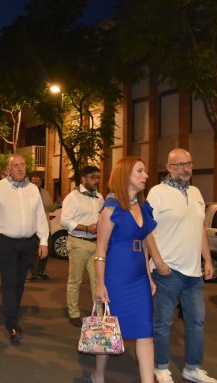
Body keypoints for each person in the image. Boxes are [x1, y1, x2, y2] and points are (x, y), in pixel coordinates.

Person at [146, 148, 217, 383]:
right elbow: (146, 230)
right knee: (163, 324)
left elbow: (200, 229)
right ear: (169, 168)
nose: (186, 168)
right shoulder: (157, 193)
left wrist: (207, 260)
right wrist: (158, 262)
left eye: (189, 163)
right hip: (167, 272)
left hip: (193, 274)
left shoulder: (197, 192)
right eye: (179, 165)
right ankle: (160, 367)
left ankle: (192, 368)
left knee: (197, 322)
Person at [92, 157, 164, 383]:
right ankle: (99, 374)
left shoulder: (143, 208)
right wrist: (100, 283)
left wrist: (149, 277)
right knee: (109, 329)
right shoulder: (111, 209)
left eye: (145, 171)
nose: (146, 176)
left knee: (145, 331)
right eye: (140, 171)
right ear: (125, 176)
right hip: (115, 277)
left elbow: (141, 244)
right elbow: (100, 251)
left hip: (139, 278)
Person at [0, 154, 49, 342]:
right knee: (9, 282)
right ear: (8, 169)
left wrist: (43, 240)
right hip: (6, 243)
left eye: (23, 165)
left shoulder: (33, 189)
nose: (21, 169)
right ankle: (11, 322)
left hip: (28, 244)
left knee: (20, 283)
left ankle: (12, 313)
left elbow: (40, 216)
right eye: (16, 166)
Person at [61, 165, 104, 327]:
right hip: (78, 243)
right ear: (83, 179)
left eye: (97, 177)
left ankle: (99, 315)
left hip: (96, 244)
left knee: (98, 281)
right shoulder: (72, 197)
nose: (96, 180)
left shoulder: (100, 197)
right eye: (93, 177)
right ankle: (74, 313)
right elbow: (65, 220)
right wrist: (86, 228)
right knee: (75, 281)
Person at [29, 172, 56, 281]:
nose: (35, 184)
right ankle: (34, 273)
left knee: (46, 249)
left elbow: (50, 208)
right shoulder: (27, 192)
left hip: (45, 225)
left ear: (41, 183)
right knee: (35, 251)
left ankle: (41, 271)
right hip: (32, 227)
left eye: (37, 182)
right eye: (33, 182)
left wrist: (57, 203)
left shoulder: (45, 193)